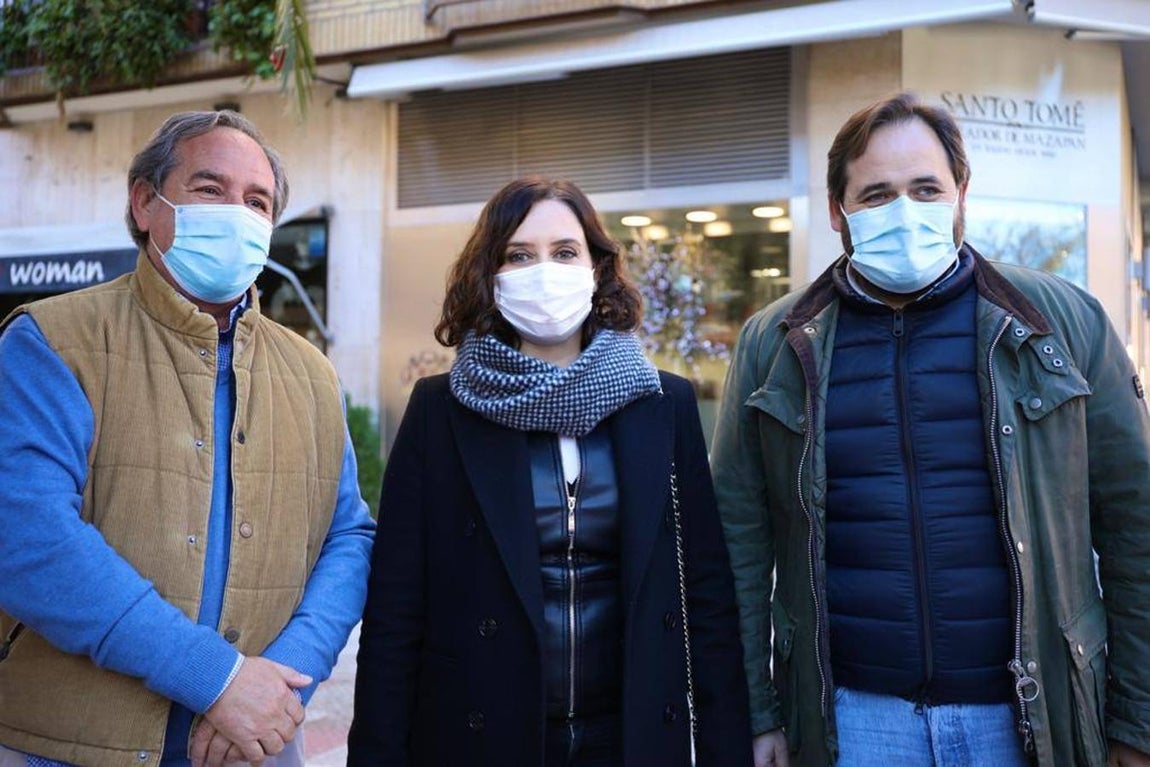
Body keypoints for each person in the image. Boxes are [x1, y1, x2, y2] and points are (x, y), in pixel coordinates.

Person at [711, 92, 1150, 767]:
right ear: (838, 212)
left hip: (1031, 716)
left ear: (961, 195)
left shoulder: (1060, 324)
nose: (904, 212)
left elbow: (1135, 528)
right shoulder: (773, 343)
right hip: (852, 719)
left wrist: (1137, 720)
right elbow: (737, 543)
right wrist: (756, 712)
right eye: (876, 194)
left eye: (925, 189)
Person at [0, 110, 375, 767]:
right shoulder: (52, 340)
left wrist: (283, 679)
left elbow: (348, 534)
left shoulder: (312, 373)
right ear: (145, 201)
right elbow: (25, 534)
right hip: (69, 746)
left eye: (256, 201)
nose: (236, 212)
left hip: (250, 747)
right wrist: (220, 678)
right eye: (210, 189)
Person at [347, 177, 753, 767]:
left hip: (630, 736)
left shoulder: (663, 405)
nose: (544, 270)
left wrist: (726, 749)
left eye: (565, 252)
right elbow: (393, 614)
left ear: (597, 269)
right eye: (519, 255)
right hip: (483, 734)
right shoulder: (440, 410)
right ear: (490, 274)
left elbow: (707, 596)